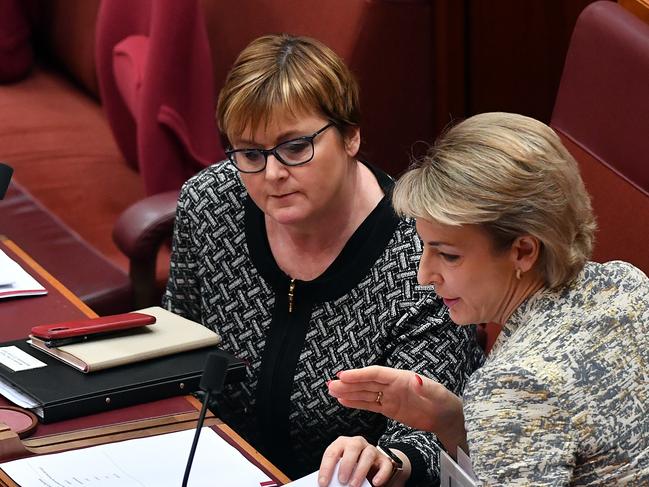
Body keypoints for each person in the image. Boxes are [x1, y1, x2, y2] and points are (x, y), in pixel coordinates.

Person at [163, 34, 483, 485]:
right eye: (251, 153)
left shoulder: (422, 256)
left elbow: (432, 433)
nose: (272, 174)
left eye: (295, 148)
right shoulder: (212, 204)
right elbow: (176, 354)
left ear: (351, 136)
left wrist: (385, 461)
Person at [328, 112, 649, 485]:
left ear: (523, 251)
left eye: (448, 255)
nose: (424, 275)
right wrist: (452, 420)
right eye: (424, 248)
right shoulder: (626, 282)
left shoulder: (514, 385)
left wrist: (493, 407)